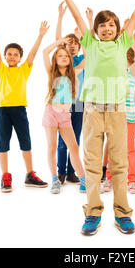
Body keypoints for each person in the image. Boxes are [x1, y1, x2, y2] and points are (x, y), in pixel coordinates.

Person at [47, 0, 135, 235]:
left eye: (111, 25)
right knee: (92, 164)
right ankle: (93, 212)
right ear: (96, 30)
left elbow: (134, 16)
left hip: (118, 111)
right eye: (102, 26)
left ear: (117, 30)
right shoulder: (89, 44)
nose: (107, 29)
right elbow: (77, 16)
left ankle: (122, 213)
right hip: (93, 111)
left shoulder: (123, 43)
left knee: (119, 164)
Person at [0, 14, 48, 193]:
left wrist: (41, 35)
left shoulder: (24, 70)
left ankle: (29, 174)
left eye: (15, 55)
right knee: (2, 143)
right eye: (9, 54)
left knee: (25, 141)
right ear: (5, 57)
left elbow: (33, 54)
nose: (12, 57)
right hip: (3, 110)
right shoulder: (2, 69)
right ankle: (5, 175)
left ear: (20, 58)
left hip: (19, 110)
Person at [101, 23, 135, 195]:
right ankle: (110, 179)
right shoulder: (111, 72)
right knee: (113, 149)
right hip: (113, 116)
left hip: (129, 117)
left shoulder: (131, 71)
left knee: (129, 149)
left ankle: (132, 180)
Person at [42, 37, 86, 194]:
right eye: (60, 55)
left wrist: (83, 34)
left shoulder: (74, 72)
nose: (63, 57)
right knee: (52, 146)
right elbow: (45, 52)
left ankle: (83, 179)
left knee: (73, 146)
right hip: (51, 113)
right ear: (56, 59)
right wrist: (59, 41)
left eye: (66, 56)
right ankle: (55, 179)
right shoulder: (51, 72)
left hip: (65, 115)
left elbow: (87, 56)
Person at [55, 2, 86, 185]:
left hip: (80, 103)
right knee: (62, 140)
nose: (72, 46)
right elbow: (58, 39)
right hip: (64, 104)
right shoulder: (63, 61)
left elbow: (90, 48)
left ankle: (71, 171)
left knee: (76, 137)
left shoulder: (83, 59)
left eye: (75, 44)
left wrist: (82, 35)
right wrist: (60, 16)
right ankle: (61, 171)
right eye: (69, 44)